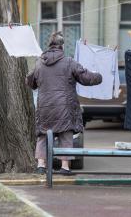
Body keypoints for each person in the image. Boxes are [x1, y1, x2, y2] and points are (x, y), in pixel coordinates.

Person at [26, 32, 102, 175]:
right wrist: (99, 76)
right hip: (64, 107)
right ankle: (65, 167)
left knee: (43, 135)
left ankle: (41, 166)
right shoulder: (69, 62)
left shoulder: (39, 63)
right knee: (65, 134)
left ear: (49, 45)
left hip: (45, 106)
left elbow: (30, 81)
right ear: (61, 46)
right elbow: (85, 77)